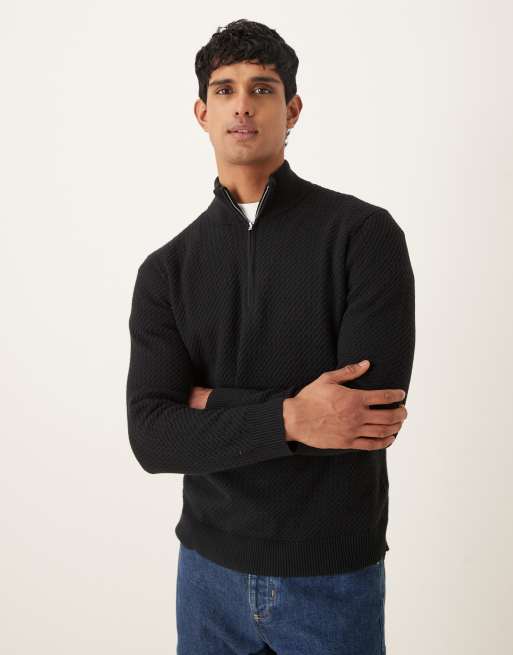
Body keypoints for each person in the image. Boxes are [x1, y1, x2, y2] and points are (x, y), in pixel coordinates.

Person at [126, 18, 415, 655]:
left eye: (262, 89)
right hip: (206, 574)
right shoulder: (166, 270)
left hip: (331, 575)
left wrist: (209, 404)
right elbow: (151, 437)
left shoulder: (363, 236)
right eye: (224, 90)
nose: (243, 105)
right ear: (202, 114)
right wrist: (294, 414)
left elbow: (366, 417)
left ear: (293, 110)